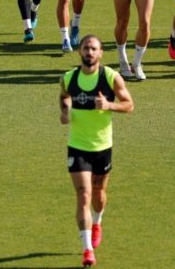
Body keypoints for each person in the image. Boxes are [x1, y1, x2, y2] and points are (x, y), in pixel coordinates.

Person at [59, 35, 134, 268]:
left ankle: (98, 221)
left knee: (99, 194)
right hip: (78, 146)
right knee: (84, 194)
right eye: (85, 48)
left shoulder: (110, 78)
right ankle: (87, 250)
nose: (89, 52)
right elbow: (64, 98)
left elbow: (129, 105)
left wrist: (109, 105)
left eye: (94, 49)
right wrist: (64, 111)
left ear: (101, 53)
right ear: (79, 52)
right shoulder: (69, 78)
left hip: (102, 147)